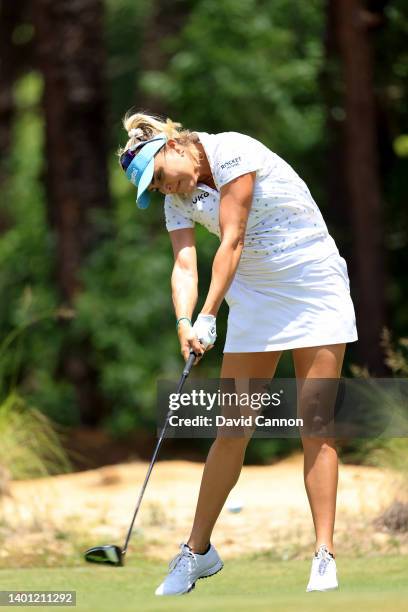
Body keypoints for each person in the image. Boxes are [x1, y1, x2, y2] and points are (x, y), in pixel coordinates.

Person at [119, 111, 358, 596]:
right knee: (233, 429)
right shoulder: (179, 200)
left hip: (312, 281)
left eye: (161, 177)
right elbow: (184, 265)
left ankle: (323, 556)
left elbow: (233, 236)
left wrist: (210, 315)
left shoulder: (231, 150)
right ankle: (196, 553)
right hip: (255, 294)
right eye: (156, 189)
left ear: (172, 147)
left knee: (316, 425)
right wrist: (186, 321)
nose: (165, 189)